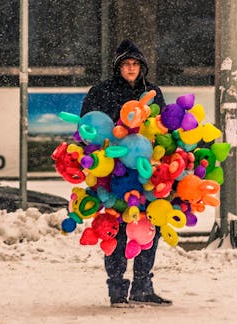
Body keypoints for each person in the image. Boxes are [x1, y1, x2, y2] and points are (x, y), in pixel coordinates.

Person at [80, 39, 171, 308]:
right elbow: (88, 126)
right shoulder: (101, 91)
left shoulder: (152, 92)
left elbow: (165, 128)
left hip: (147, 172)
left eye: (135, 64)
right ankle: (117, 290)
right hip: (113, 172)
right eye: (126, 64)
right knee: (116, 230)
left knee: (149, 228)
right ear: (117, 67)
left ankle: (143, 287)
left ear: (142, 67)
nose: (131, 68)